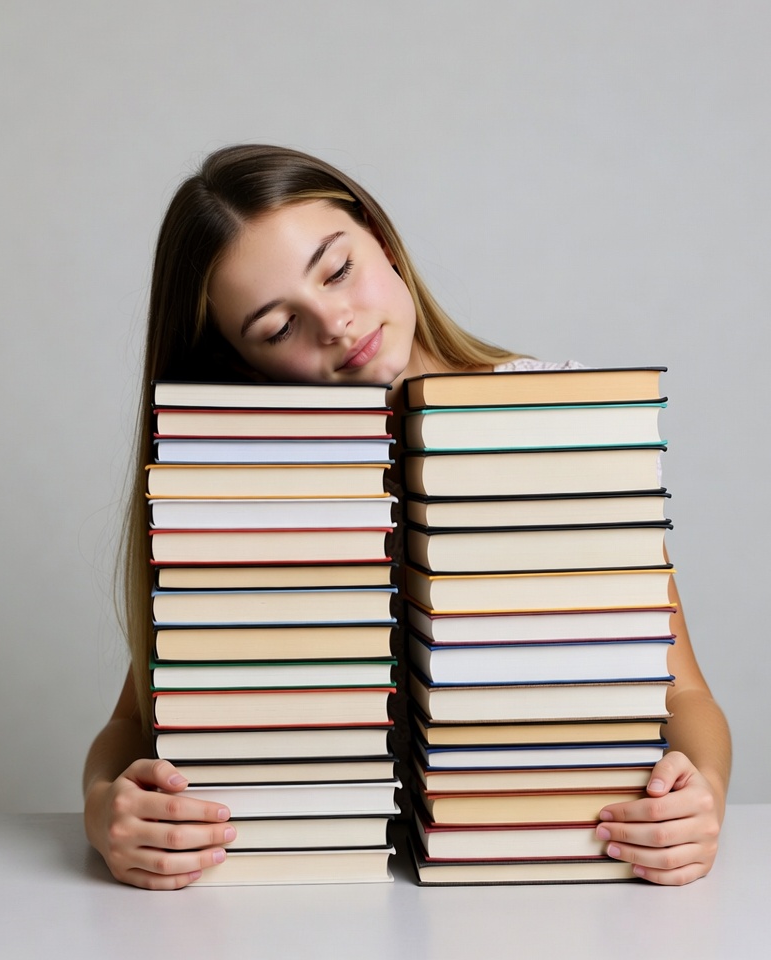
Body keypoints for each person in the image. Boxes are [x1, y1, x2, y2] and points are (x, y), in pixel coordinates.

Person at [83, 143, 732, 890]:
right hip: (296, 896)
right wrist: (106, 809)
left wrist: (702, 791)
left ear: (383, 243)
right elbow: (134, 724)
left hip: (550, 880)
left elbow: (681, 692)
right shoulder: (244, 485)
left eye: (338, 269)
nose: (332, 321)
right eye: (275, 327)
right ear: (242, 366)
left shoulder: (555, 418)